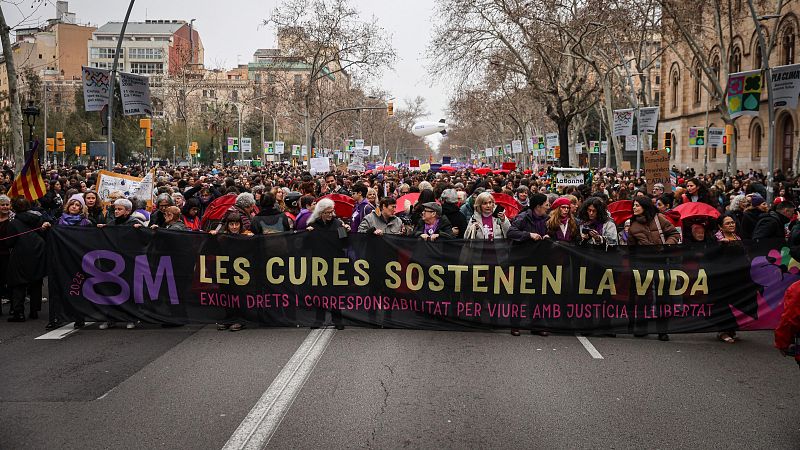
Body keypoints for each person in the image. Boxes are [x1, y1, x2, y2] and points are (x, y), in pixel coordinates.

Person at [627, 196, 680, 341]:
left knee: (663, 297)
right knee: (643, 297)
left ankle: (662, 330)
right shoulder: (633, 226)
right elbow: (631, 249)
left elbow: (674, 234)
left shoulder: (659, 218)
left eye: (637, 205)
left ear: (645, 207)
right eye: (633, 206)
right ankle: (641, 328)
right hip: (643, 264)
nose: (634, 208)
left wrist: (666, 245)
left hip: (661, 262)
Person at [6, 196, 51, 323]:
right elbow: (44, 234)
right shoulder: (37, 218)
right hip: (38, 251)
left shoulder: (13, 223)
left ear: (14, 208)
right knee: (36, 281)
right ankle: (34, 311)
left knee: (19, 283)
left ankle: (19, 313)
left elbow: (9, 242)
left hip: (20, 254)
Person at [0, 195, 12, 316]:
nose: (5, 207)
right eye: (2, 205)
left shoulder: (13, 218)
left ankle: (14, 307)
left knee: (9, 279)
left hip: (9, 254)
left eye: (7, 204)